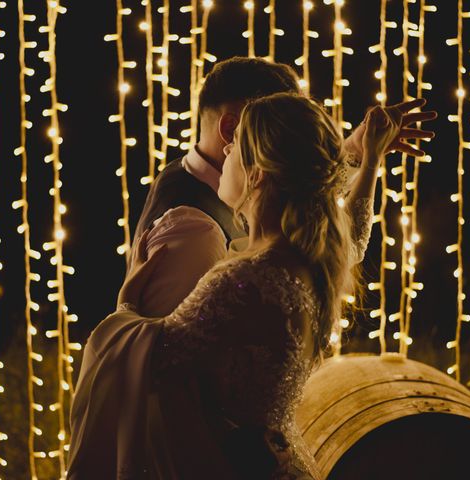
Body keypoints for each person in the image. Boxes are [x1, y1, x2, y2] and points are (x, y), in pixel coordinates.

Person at [67, 92, 436, 478]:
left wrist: (126, 305)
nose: (226, 148)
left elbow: (148, 362)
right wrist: (369, 156)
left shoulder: (243, 279)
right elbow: (356, 235)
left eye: (237, 142)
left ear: (258, 172)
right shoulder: (317, 258)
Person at [120, 56, 435, 318]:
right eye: (278, 128)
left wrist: (355, 153)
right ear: (231, 130)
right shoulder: (194, 229)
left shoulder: (193, 175)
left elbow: (295, 194)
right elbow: (166, 370)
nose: (292, 142)